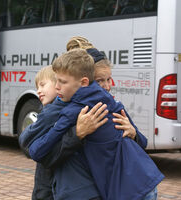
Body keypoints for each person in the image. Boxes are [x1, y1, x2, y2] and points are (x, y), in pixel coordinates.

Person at [29, 49, 164, 200]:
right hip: (131, 186)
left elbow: (142, 143)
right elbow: (34, 148)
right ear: (86, 81)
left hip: (134, 186)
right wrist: (77, 133)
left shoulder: (108, 103)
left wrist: (133, 132)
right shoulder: (76, 109)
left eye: (108, 79)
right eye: (100, 80)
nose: (106, 86)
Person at [19, 65, 107, 200]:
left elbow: (26, 141)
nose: (38, 91)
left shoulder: (57, 112)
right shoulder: (53, 111)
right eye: (37, 87)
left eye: (43, 85)